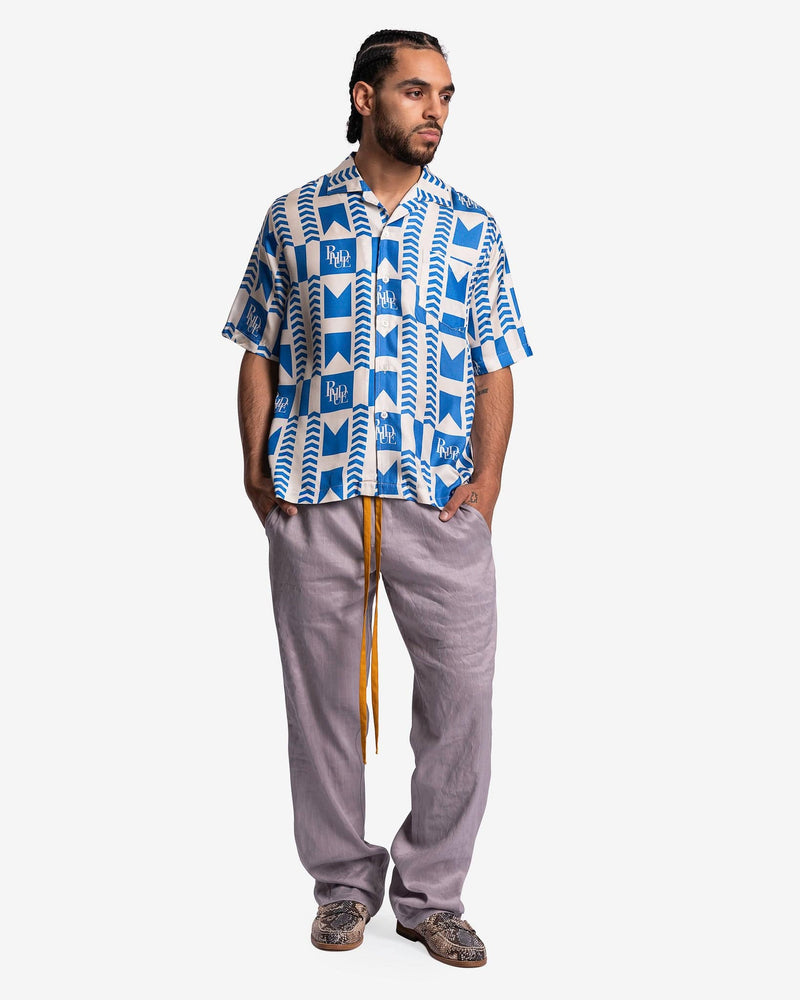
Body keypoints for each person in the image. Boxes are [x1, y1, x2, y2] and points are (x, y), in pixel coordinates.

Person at [221, 28, 532, 968]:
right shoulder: (293, 218)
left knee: (462, 700)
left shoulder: (472, 227)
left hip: (437, 502)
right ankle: (342, 888)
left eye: (446, 95)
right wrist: (255, 468)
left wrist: (487, 485)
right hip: (315, 493)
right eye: (415, 91)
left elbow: (495, 362)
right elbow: (259, 348)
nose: (436, 110)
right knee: (319, 703)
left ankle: (432, 895)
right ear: (365, 98)